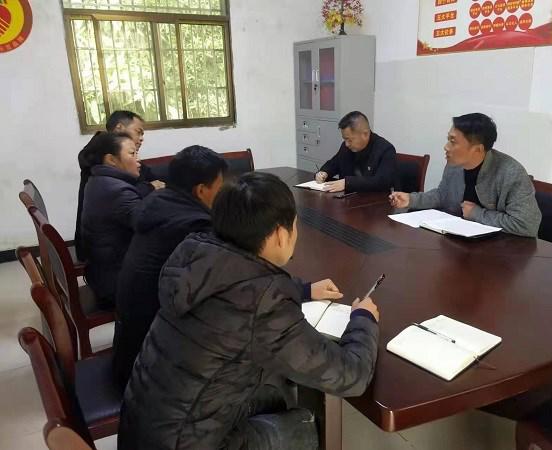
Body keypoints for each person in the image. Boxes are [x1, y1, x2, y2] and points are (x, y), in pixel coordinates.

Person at [118, 172, 380, 450]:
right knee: (307, 425)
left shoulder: (193, 256)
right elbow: (351, 376)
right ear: (281, 234)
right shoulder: (264, 304)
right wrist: (363, 319)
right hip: (188, 443)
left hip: (143, 428)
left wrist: (303, 290)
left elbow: (235, 283)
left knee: (275, 395)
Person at [112, 146, 227, 390]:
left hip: (130, 348)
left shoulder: (158, 201)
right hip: (154, 370)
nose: (223, 192)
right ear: (201, 190)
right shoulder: (195, 226)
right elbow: (229, 285)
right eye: (220, 186)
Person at [389, 113, 541, 237]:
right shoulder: (454, 165)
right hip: (460, 243)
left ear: (478, 149)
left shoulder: (511, 173)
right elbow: (443, 195)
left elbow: (527, 225)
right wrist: (412, 199)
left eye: (453, 141)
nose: (446, 147)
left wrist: (477, 214)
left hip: (503, 252)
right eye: (448, 139)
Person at [75, 110, 164, 260]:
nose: (141, 138)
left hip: (103, 246)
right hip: (108, 255)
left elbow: (149, 173)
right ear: (119, 128)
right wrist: (150, 188)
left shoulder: (105, 162)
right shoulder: (98, 163)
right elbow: (138, 213)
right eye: (138, 132)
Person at [80, 132, 142, 309]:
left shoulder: (98, 180)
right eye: (132, 154)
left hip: (100, 273)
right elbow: (149, 227)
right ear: (111, 160)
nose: (139, 161)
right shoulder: (118, 191)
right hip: (116, 283)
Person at [315, 110, 396, 193]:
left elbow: (382, 182)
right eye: (345, 139)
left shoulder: (385, 149)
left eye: (349, 140)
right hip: (346, 198)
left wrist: (348, 183)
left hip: (373, 199)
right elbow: (334, 163)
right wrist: (324, 172)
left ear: (365, 134)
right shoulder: (346, 147)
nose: (346, 144)